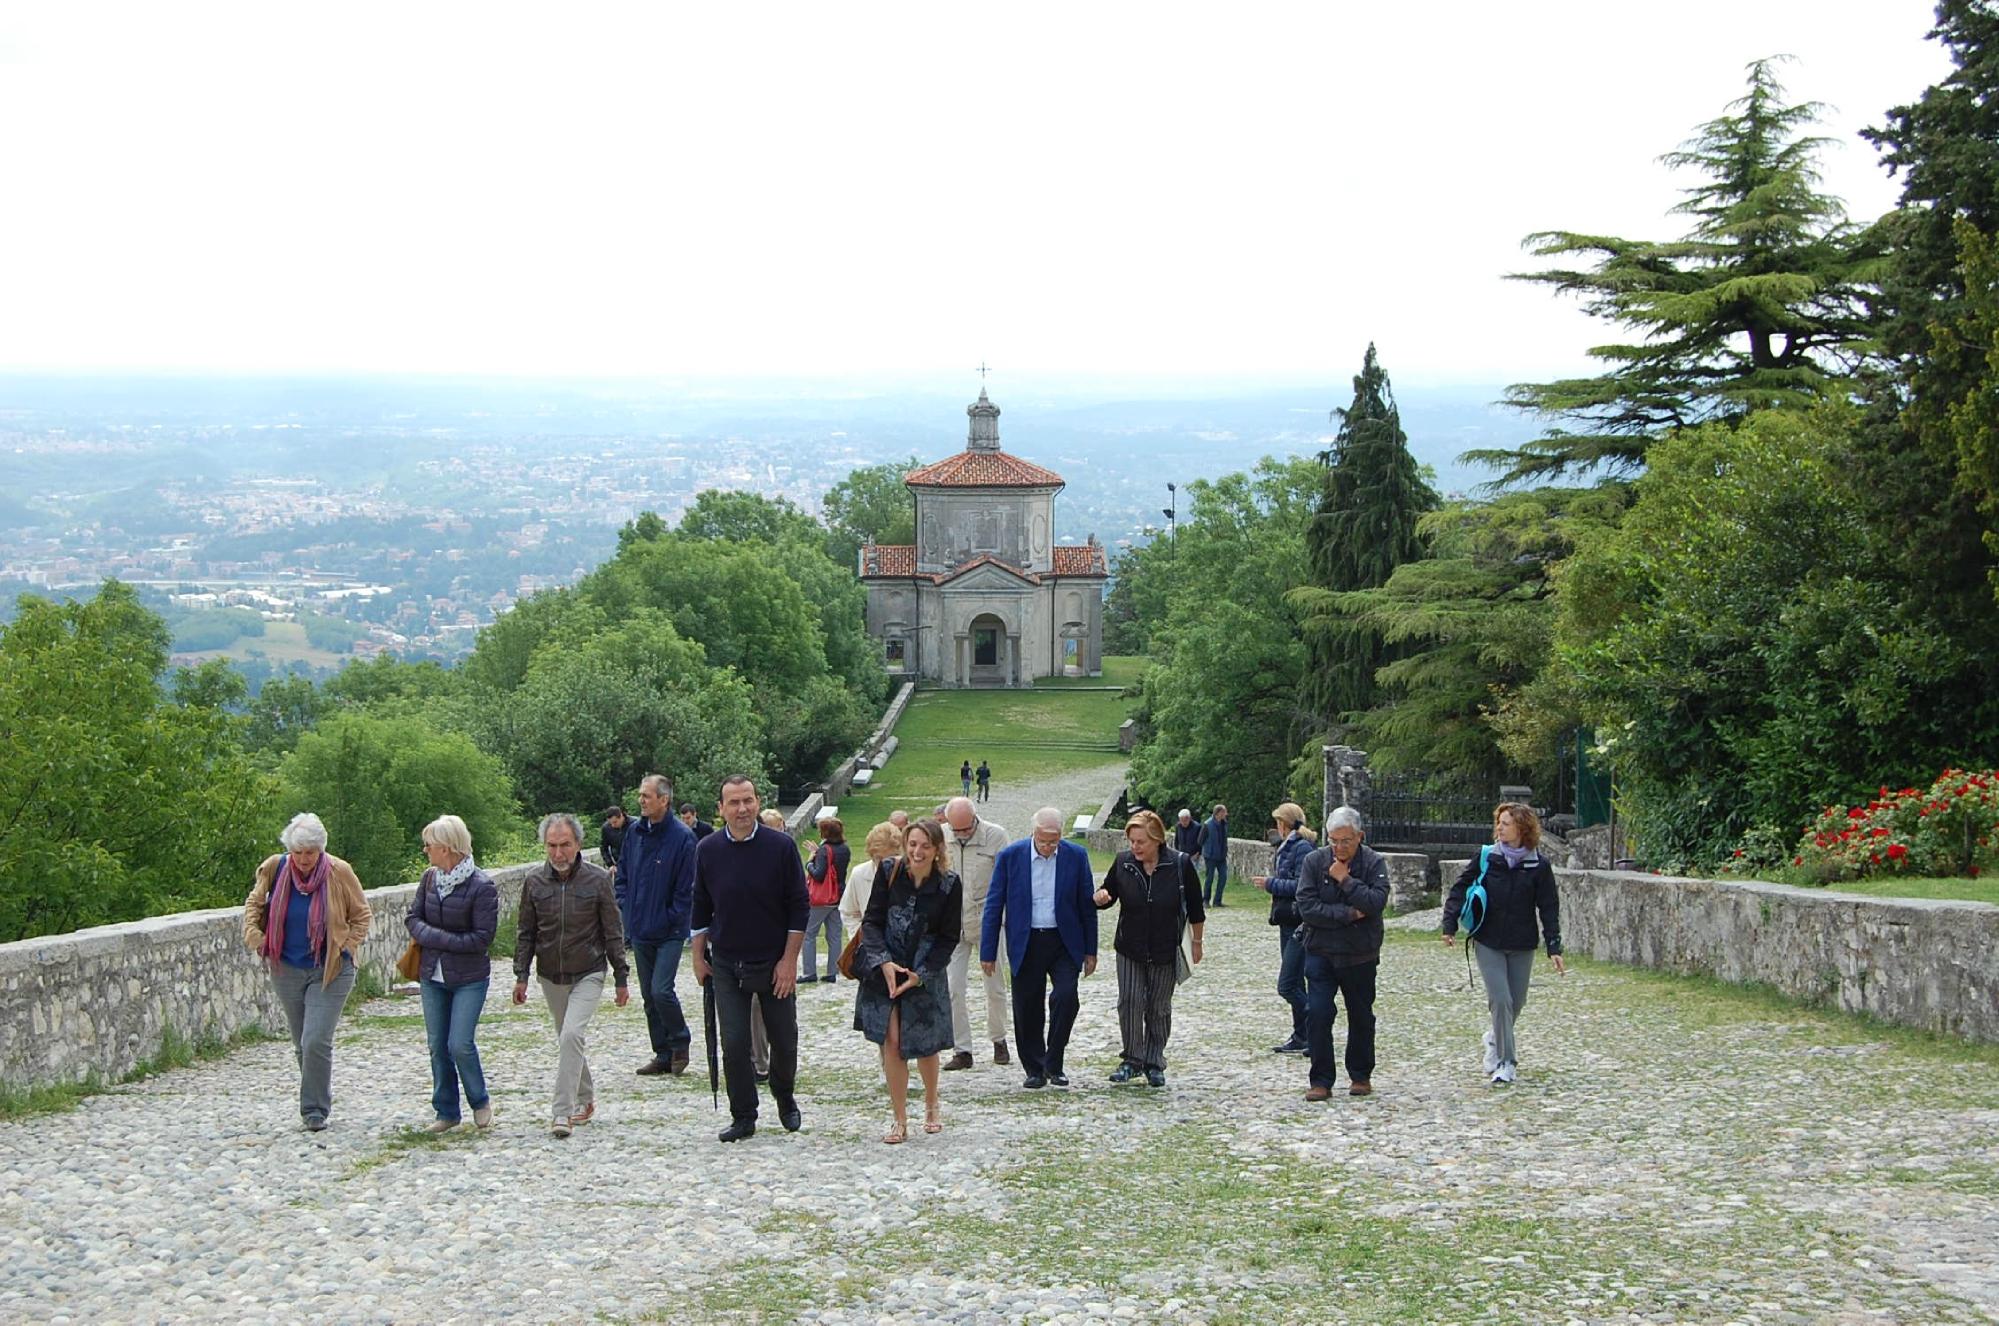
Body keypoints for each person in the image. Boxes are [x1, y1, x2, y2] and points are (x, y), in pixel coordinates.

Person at [691, 775, 809, 1142]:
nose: (742, 809)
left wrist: (789, 961)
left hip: (774, 960)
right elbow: (699, 906)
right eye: (734, 803)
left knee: (784, 1041)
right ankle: (743, 1114)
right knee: (734, 1043)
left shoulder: (780, 847)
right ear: (721, 809)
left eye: (748, 801)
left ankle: (784, 1096)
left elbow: (799, 907)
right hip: (727, 961)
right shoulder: (707, 850)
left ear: (758, 803)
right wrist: (697, 957)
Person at [241, 812, 371, 1131]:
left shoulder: (339, 872)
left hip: (330, 969)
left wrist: (346, 946)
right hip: (286, 967)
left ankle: (314, 1109)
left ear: (321, 850)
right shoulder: (275, 867)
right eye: (297, 853)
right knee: (301, 1042)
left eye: (310, 853)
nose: (303, 860)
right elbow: (254, 905)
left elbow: (362, 914)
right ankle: (316, 1095)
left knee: (315, 1040)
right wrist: (256, 938)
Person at [513, 813, 630, 1137]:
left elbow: (612, 931)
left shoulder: (596, 881)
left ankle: (561, 1113)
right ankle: (586, 1097)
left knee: (570, 1035)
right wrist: (521, 974)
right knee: (568, 1038)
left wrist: (621, 977)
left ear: (578, 844)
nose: (558, 853)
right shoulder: (534, 882)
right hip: (550, 975)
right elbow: (526, 932)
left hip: (589, 972)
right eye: (552, 845)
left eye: (565, 845)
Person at [1443, 801, 1566, 1086]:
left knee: (1517, 1002)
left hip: (1522, 942)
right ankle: (1506, 1062)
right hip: (1488, 940)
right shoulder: (1487, 857)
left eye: (1506, 823)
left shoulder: (1538, 865)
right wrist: (1449, 925)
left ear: (1522, 828)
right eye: (1499, 822)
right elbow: (1459, 888)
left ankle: (1494, 1039)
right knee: (1500, 1000)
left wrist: (1554, 947)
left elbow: (1548, 907)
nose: (1500, 827)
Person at [854, 819, 962, 1143]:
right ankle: (899, 1117)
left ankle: (931, 1101)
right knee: (893, 1040)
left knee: (925, 1042)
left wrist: (922, 975)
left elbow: (948, 937)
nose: (917, 851)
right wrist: (882, 961)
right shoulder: (889, 871)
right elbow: (871, 921)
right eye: (912, 844)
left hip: (924, 966)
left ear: (937, 849)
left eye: (925, 846)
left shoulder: (948, 883)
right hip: (886, 964)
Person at [981, 807, 1097, 1088]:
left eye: (1053, 841)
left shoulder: (1076, 856)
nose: (1047, 846)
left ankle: (1054, 1062)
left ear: (1060, 835)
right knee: (1027, 1005)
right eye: (1042, 840)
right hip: (1026, 940)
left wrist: (1091, 949)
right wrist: (988, 950)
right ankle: (1034, 1067)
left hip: (1064, 940)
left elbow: (1086, 905)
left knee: (1066, 997)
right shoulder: (1011, 856)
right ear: (1033, 832)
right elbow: (994, 904)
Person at [1094, 809, 1204, 1087]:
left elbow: (1196, 909)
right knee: (1129, 1002)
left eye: (1140, 842)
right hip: (1130, 946)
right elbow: (1108, 894)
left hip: (1166, 948)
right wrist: (1100, 898)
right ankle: (1132, 1059)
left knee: (1158, 1007)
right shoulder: (1123, 863)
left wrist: (1197, 943)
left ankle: (1154, 1061)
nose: (1135, 847)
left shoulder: (1179, 865)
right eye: (1131, 841)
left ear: (1157, 839)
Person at [406, 814, 500, 1133]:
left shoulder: (482, 886)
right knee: (437, 1044)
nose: (426, 851)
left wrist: (435, 938)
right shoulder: (429, 879)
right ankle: (446, 1110)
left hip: (469, 978)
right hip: (433, 975)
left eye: (429, 846)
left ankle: (479, 1100)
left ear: (447, 848)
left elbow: (482, 938)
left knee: (459, 1043)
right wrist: (438, 938)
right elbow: (412, 918)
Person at [1294, 807, 1389, 1100]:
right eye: (1333, 840)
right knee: (1319, 1013)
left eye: (1345, 840)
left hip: (1360, 953)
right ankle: (1320, 1080)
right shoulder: (1314, 861)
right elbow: (1306, 906)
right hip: (1320, 950)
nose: (1338, 847)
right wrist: (1348, 913)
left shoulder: (1374, 862)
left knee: (1361, 1015)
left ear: (1360, 836)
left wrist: (1346, 881)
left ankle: (1360, 1075)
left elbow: (1376, 902)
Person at [617, 774, 697, 1077]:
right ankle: (662, 1053)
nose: (641, 801)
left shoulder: (682, 837)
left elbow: (686, 887)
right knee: (649, 996)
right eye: (640, 795)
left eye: (647, 796)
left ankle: (680, 1042)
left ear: (664, 800)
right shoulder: (635, 832)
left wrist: (671, 917)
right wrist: (624, 901)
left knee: (662, 990)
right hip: (639, 926)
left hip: (669, 930)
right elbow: (623, 870)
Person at [942, 796, 1012, 1070]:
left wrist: (1003, 919)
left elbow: (1008, 879)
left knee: (994, 987)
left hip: (988, 922)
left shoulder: (996, 836)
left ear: (975, 819)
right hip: (953, 924)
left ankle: (999, 1039)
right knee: (952, 988)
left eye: (965, 829)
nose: (961, 835)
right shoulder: (942, 837)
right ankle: (962, 1049)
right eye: (955, 830)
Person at [1251, 802, 1312, 1055]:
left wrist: (1270, 884)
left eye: (1278, 822)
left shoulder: (1302, 848)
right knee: (1296, 981)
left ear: (1285, 823)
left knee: (1287, 985)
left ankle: (1318, 1023)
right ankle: (1302, 1035)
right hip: (1286, 921)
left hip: (1299, 922)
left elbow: (1302, 885)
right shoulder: (1287, 847)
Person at [802, 818, 852, 983]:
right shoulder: (845, 849)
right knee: (835, 935)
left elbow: (818, 874)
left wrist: (809, 861)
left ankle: (809, 972)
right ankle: (833, 971)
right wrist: (819, 853)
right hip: (838, 896)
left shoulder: (825, 850)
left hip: (821, 899)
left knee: (809, 934)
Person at [841, 821, 903, 941]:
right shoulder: (859, 874)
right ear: (871, 855)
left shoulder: (910, 875)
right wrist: (862, 937)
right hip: (870, 948)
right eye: (879, 859)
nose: (885, 864)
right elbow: (849, 911)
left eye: (891, 858)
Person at [1201, 803, 1231, 907]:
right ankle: (1205, 900)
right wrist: (1208, 850)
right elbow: (1200, 840)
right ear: (1218, 813)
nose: (1225, 814)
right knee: (1209, 878)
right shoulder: (1207, 824)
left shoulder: (1224, 824)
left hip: (1221, 856)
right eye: (1224, 812)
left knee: (1223, 877)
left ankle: (1217, 901)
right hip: (1210, 856)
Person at [600, 805, 629, 872]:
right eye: (610, 823)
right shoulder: (606, 828)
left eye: (615, 822)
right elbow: (604, 848)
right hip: (619, 864)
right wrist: (610, 864)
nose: (613, 825)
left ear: (621, 816)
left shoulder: (634, 824)